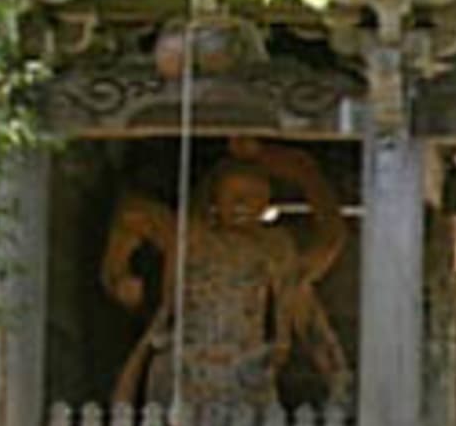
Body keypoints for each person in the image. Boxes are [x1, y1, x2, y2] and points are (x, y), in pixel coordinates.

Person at [102, 137, 349, 409]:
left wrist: (294, 167)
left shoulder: (276, 251)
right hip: (187, 366)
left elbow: (328, 245)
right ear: (215, 198)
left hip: (248, 369)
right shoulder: (191, 237)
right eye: (234, 196)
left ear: (267, 202)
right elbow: (132, 213)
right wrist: (118, 272)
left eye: (254, 196)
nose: (243, 204)